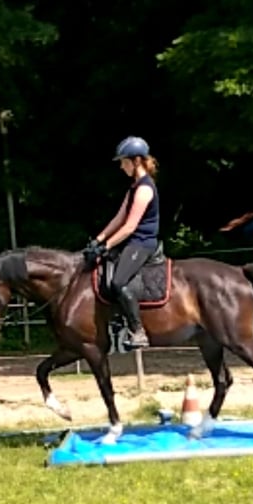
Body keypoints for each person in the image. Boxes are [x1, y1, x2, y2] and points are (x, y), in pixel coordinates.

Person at [86, 135, 160, 349]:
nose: (121, 166)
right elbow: (118, 219)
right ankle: (117, 319)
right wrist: (98, 240)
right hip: (132, 242)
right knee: (105, 272)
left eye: (124, 162)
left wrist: (106, 246)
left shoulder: (145, 189)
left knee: (118, 282)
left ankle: (138, 331)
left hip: (143, 243)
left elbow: (129, 226)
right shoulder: (134, 187)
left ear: (136, 161)